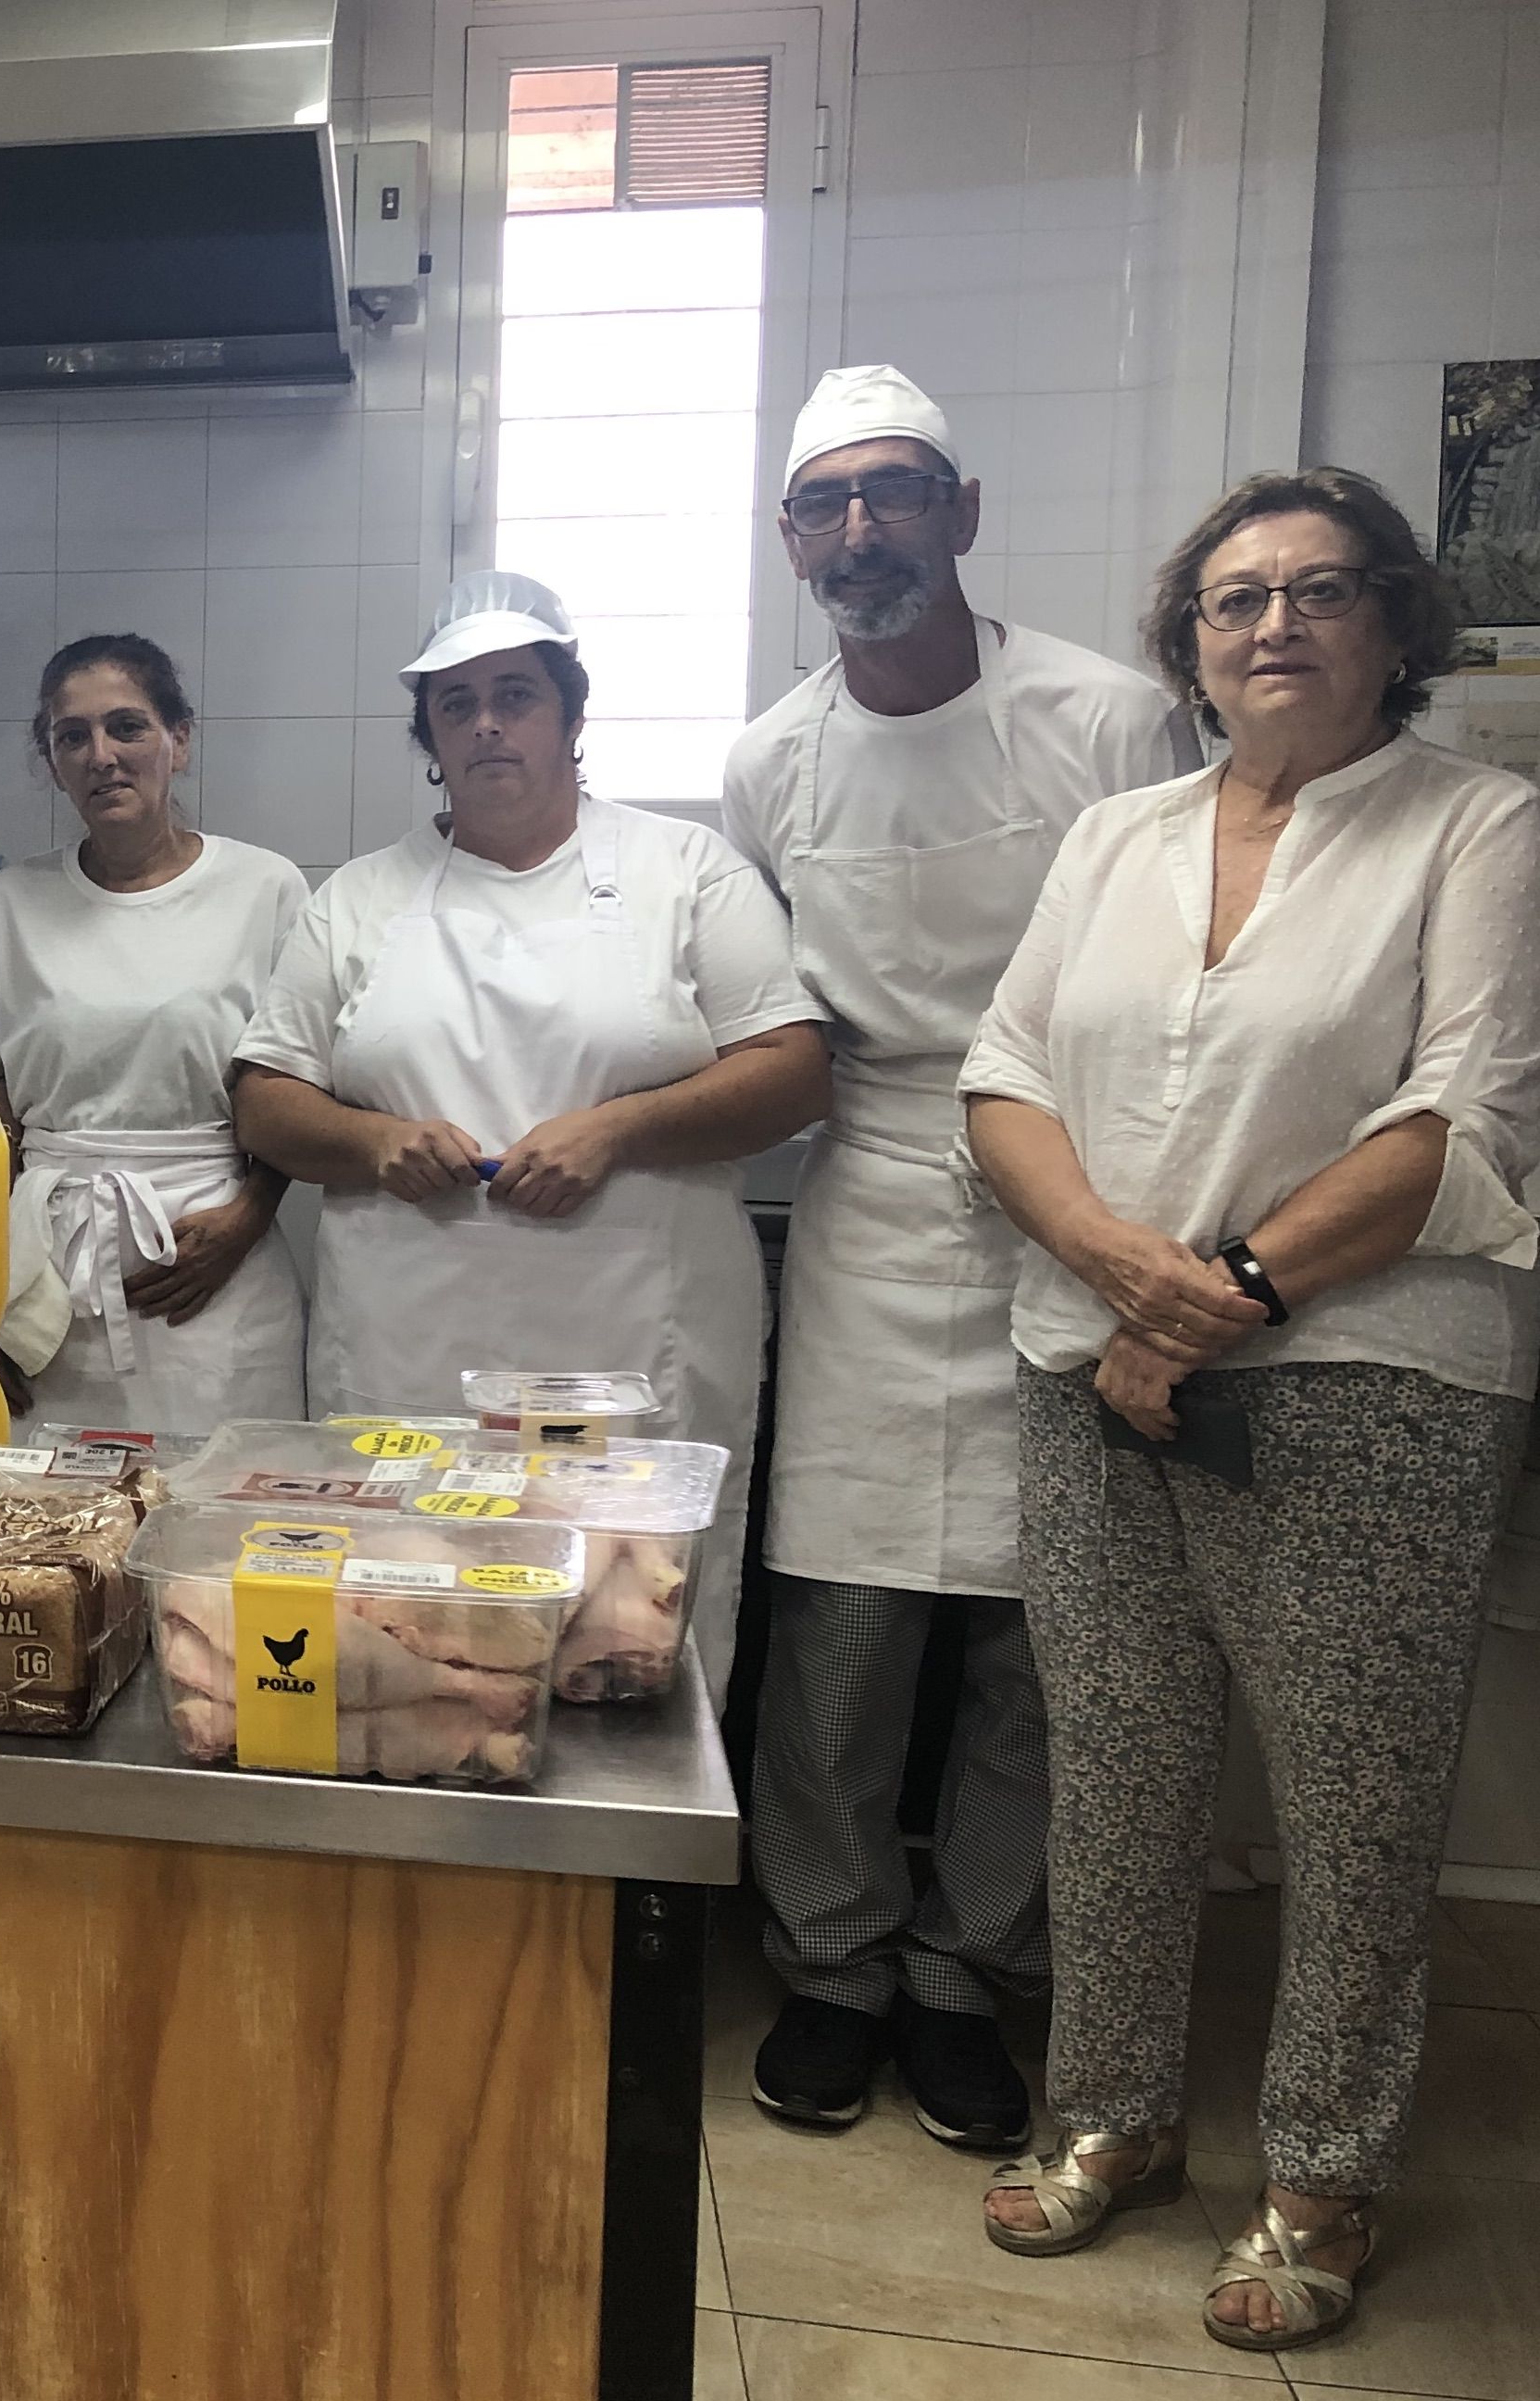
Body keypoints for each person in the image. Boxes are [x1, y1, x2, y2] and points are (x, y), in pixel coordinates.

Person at [961, 468, 1539, 2354]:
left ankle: (1318, 2170)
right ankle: (1110, 2114)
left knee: (1350, 1806)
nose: (1269, 624)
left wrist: (1217, 1299)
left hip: (1361, 1390)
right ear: (1184, 647)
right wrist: (1117, 1279)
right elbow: (999, 1078)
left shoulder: (1476, 827)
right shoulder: (1114, 836)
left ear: (1391, 627)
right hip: (1091, 1381)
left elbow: (1457, 1123)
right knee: (1115, 1777)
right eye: (1230, 599)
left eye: (1313, 590)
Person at [721, 368, 1205, 2149]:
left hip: (1079, 1186)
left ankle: (961, 1967)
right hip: (865, 1196)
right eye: (828, 504)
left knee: (1031, 1629)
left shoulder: (1107, 714)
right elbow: (780, 1005)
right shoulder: (766, 757)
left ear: (962, 511)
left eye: (895, 493)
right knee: (839, 1622)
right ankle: (833, 1961)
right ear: (791, 543)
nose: (863, 530)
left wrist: (1121, 1223)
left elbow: (1165, 980)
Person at [231, 572, 830, 1702]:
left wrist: (616, 1130)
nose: (486, 724)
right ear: (428, 737)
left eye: (514, 694)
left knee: (629, 1632)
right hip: (408, 1349)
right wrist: (373, 1145)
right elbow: (264, 1096)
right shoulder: (357, 900)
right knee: (408, 1637)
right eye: (454, 705)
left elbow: (793, 1072)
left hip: (626, 1350)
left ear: (569, 715)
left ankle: (642, 1875)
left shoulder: (685, 871)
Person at [0, 634, 307, 1439]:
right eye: (70, 737)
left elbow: (298, 1081)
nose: (100, 755)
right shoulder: (15, 900)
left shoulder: (262, 888)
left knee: (214, 1518)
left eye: (127, 727)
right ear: (50, 760)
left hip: (211, 1270)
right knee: (42, 1537)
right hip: (46, 1276)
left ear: (178, 740)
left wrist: (248, 1218)